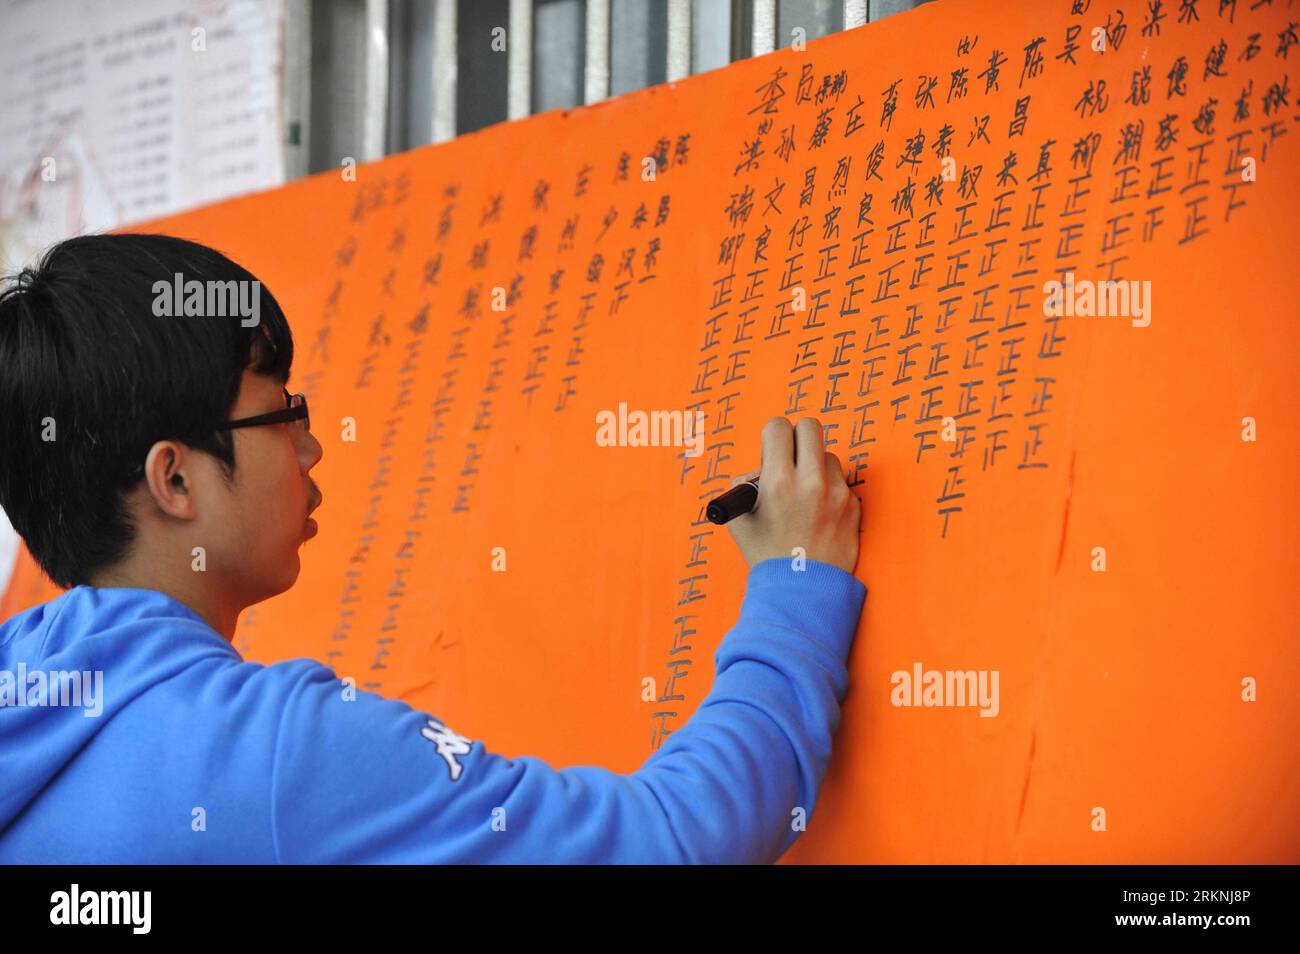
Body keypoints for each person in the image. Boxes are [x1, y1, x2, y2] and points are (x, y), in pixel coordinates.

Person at [0, 233, 866, 863]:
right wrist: (796, 593)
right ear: (175, 481)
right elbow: (661, 843)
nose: (310, 447)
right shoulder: (280, 758)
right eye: (281, 410)